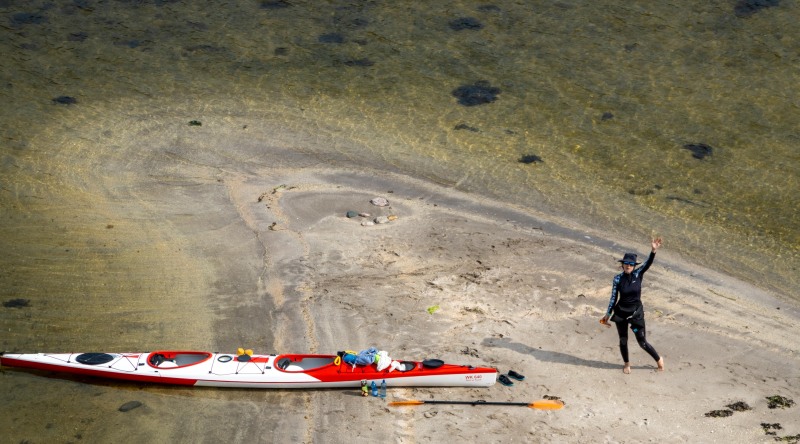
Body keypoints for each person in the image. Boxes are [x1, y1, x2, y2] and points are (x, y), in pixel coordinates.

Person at [600, 237, 665, 374]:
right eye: (626, 263)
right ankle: (627, 363)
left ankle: (659, 359)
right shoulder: (617, 278)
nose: (628, 266)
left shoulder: (638, 274)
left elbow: (648, 263)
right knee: (623, 340)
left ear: (634, 265)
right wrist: (608, 314)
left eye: (631, 264)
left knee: (642, 342)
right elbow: (613, 297)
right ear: (622, 265)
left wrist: (653, 250)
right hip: (621, 313)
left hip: (636, 314)